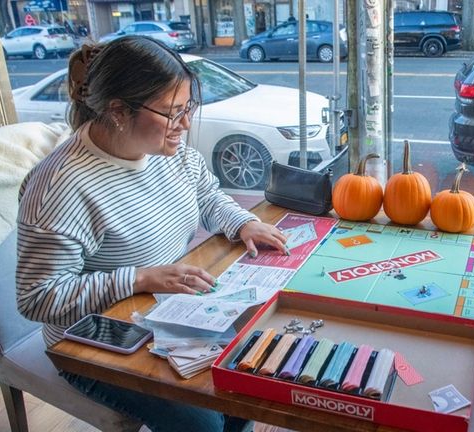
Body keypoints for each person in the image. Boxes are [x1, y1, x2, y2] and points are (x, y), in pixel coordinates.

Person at [15, 36, 288, 431]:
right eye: (172, 112)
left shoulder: (167, 150)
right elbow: (37, 299)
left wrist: (241, 222)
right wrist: (140, 277)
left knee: (243, 384)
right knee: (205, 423)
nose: (186, 124)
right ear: (118, 111)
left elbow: (208, 195)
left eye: (188, 108)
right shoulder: (61, 187)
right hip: (89, 341)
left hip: (164, 312)